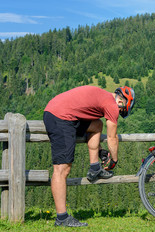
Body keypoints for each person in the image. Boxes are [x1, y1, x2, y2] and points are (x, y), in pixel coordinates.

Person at [43, 85, 135, 227]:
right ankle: (62, 218)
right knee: (62, 169)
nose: (119, 112)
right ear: (122, 102)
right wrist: (114, 160)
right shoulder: (112, 105)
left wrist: (100, 151)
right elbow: (112, 138)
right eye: (122, 110)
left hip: (60, 112)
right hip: (60, 118)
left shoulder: (104, 97)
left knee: (97, 125)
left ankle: (95, 168)